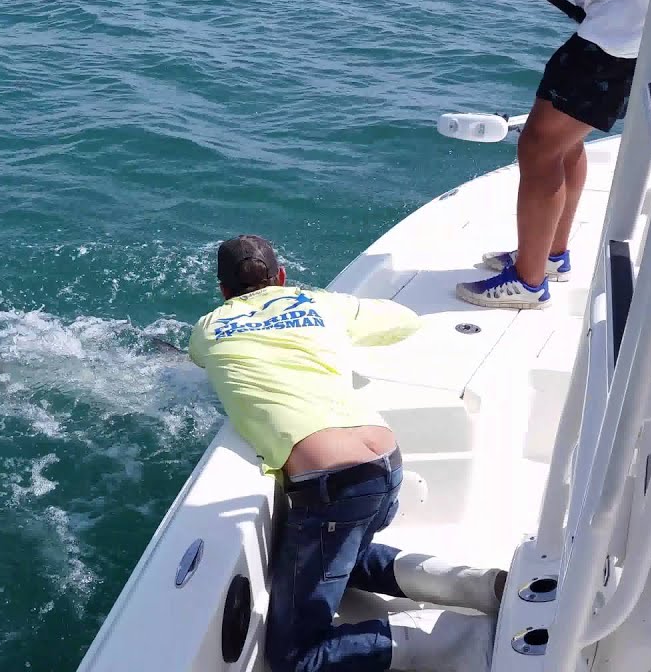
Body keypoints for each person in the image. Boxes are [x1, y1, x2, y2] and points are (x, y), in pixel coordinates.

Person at [188, 235, 506, 672]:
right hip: (387, 465)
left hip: (335, 488)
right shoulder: (320, 304)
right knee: (345, 554)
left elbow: (200, 359)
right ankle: (479, 586)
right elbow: (404, 321)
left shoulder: (207, 328)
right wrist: (318, 313)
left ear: (223, 290)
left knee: (295, 659)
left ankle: (463, 639)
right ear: (282, 276)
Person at [457, 0, 651, 309]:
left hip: (612, 41)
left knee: (540, 147)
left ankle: (528, 282)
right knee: (566, 143)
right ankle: (550, 255)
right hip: (636, 34)